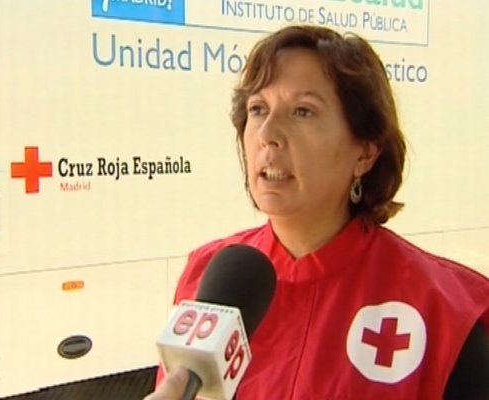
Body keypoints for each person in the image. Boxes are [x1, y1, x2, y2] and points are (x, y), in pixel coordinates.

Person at [151, 25, 489, 399]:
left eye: (303, 111)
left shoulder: (443, 310)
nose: (267, 134)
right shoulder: (208, 277)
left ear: (365, 152)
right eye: (257, 109)